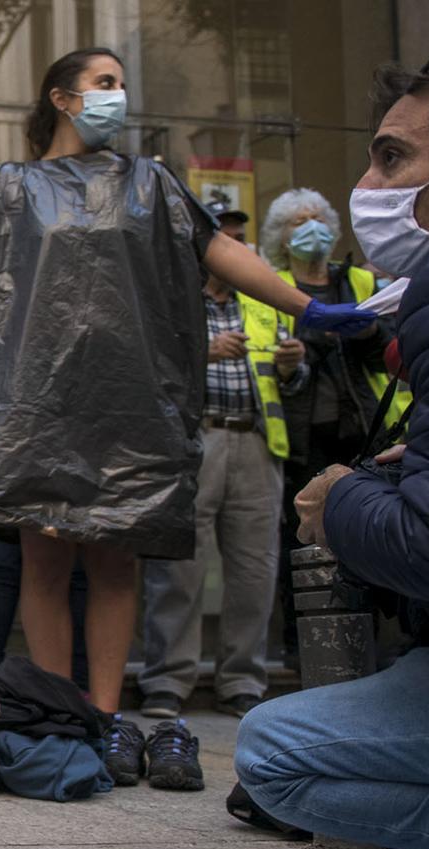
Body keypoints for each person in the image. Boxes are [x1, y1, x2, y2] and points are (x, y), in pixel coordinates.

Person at [0, 47, 377, 754]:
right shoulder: (6, 185)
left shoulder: (154, 184)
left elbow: (222, 253)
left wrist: (303, 307)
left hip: (126, 403)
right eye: (104, 84)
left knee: (113, 560)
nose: (118, 98)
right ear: (63, 98)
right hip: (36, 404)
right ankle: (60, 713)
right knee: (43, 558)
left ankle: (102, 719)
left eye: (121, 85)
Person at [237, 58, 429, 849]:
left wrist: (342, 503)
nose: (367, 185)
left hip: (356, 487)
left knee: (277, 757)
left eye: (393, 158)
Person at [138, 203, 306, 720]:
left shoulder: (264, 301)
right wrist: (202, 352)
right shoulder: (171, 299)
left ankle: (241, 680)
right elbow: (146, 367)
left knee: (255, 568)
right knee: (179, 568)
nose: (236, 247)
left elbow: (294, 384)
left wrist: (293, 367)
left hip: (256, 444)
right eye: (225, 239)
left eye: (238, 238)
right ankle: (167, 680)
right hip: (192, 443)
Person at [259, 187, 402, 669]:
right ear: (282, 236)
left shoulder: (359, 280)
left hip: (361, 427)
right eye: (298, 221)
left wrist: (366, 331)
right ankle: (303, 647)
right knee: (298, 539)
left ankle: (375, 643)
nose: (310, 227)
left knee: (366, 534)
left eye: (317, 217)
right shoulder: (270, 284)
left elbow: (389, 347)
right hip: (299, 434)